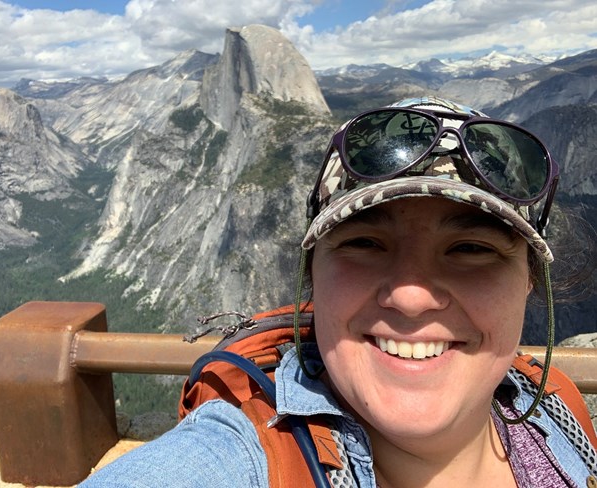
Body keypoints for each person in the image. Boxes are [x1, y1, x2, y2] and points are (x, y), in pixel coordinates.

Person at [80, 96, 596, 487]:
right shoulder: (241, 457)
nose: (411, 297)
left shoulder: (558, 414)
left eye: (470, 250)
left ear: (529, 279)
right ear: (313, 276)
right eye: (366, 242)